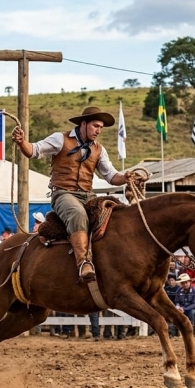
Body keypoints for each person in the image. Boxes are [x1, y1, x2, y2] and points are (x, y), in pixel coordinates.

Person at [12, 106, 131, 287]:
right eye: (95, 126)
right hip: (63, 194)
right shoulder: (61, 139)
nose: (98, 130)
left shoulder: (99, 150)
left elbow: (111, 176)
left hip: (88, 195)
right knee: (77, 213)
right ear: (83, 124)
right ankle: (83, 262)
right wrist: (22, 142)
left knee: (115, 214)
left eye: (100, 127)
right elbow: (33, 150)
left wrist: (125, 177)